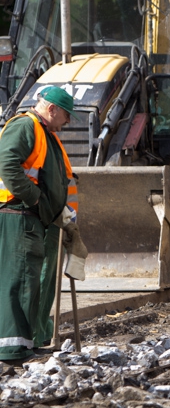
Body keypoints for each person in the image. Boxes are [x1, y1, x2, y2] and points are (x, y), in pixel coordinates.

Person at [0, 86, 79, 363]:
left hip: (31, 218)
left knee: (28, 283)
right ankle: (11, 350)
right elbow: (7, 165)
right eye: (66, 115)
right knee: (19, 281)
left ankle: (23, 345)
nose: (68, 121)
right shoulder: (26, 126)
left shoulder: (46, 135)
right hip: (18, 214)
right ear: (52, 109)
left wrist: (63, 216)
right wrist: (35, 200)